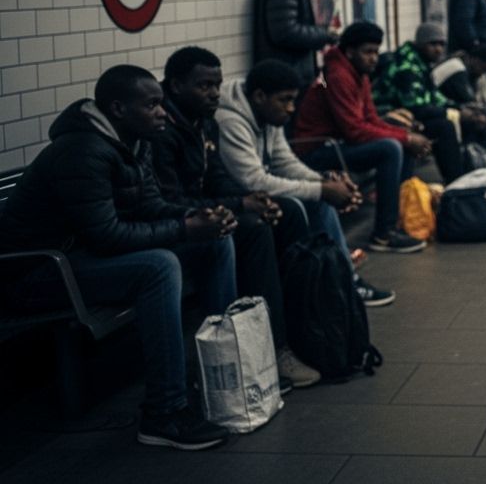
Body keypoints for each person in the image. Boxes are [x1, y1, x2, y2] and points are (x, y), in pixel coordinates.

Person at [0, 65, 236, 450]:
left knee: (214, 242)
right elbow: (108, 237)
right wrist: (183, 230)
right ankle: (163, 412)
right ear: (119, 108)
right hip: (35, 272)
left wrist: (197, 220)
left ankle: (219, 370)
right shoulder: (83, 150)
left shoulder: (131, 141)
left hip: (76, 258)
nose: (162, 112)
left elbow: (150, 206)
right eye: (152, 105)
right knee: (159, 267)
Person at [150, 46, 321, 387]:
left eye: (217, 84)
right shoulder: (162, 130)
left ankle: (302, 327)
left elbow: (217, 180)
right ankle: (264, 347)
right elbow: (167, 198)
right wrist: (239, 206)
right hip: (174, 225)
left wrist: (248, 200)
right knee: (252, 231)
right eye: (204, 86)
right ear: (176, 85)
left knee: (284, 211)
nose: (214, 93)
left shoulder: (203, 123)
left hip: (197, 213)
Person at [217, 59, 395, 306]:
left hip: (256, 193)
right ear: (259, 96)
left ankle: (338, 280)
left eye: (293, 100)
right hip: (236, 196)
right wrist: (322, 190)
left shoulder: (268, 115)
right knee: (309, 203)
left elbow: (284, 161)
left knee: (319, 201)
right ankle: (323, 285)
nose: (291, 108)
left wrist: (322, 181)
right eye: (285, 100)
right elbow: (252, 180)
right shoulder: (230, 121)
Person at [293, 22, 431, 253]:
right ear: (349, 52)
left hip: (338, 143)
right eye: (368, 52)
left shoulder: (359, 74)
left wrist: (405, 136)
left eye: (376, 52)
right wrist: (404, 139)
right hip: (316, 150)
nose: (374, 58)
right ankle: (383, 235)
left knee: (400, 145)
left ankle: (395, 221)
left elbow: (371, 119)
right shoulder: (338, 75)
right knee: (391, 148)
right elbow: (354, 130)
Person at [373, 22, 471, 181]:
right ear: (420, 43)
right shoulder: (407, 66)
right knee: (444, 127)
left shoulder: (420, 62)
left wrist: (460, 108)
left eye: (441, 44)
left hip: (406, 116)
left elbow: (433, 97)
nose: (438, 49)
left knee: (463, 118)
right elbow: (415, 107)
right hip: (388, 118)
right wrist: (454, 112)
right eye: (432, 44)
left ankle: (466, 174)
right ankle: (456, 182)